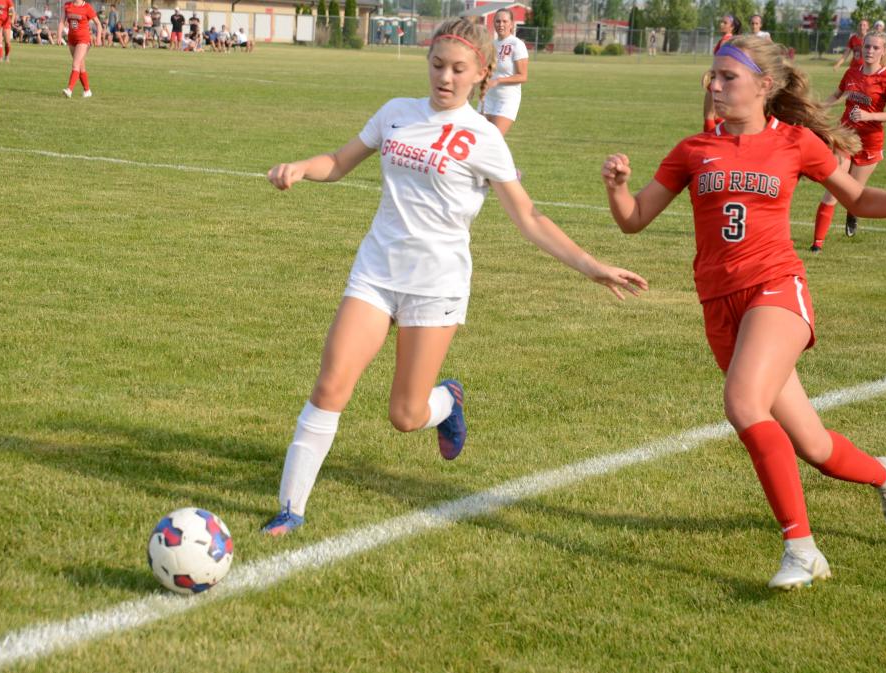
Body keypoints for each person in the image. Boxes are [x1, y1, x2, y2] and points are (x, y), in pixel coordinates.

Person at [260, 17, 647, 536]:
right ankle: (290, 509)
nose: (445, 77)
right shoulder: (396, 114)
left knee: (404, 414)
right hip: (375, 273)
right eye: (437, 64)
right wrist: (303, 167)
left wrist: (592, 265)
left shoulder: (484, 138)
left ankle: (448, 401)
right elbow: (339, 160)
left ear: (482, 72)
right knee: (331, 385)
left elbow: (529, 217)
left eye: (458, 69)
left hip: (435, 285)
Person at [601, 36, 886, 589]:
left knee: (742, 402)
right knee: (815, 449)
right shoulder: (693, 149)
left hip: (776, 289)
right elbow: (634, 219)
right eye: (711, 78)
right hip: (719, 304)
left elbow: (856, 200)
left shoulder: (796, 142)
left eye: (726, 78)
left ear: (765, 86)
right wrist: (617, 188)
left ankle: (802, 550)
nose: (714, 87)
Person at [811, 31, 886, 250]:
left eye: (875, 48)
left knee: (854, 193)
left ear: (883, 52)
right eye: (867, 46)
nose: (870, 51)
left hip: (870, 143)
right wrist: (817, 110)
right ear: (861, 47)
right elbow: (837, 95)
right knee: (834, 188)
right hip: (845, 137)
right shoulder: (852, 72)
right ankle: (817, 245)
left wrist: (869, 116)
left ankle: (852, 212)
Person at [481, 8, 528, 136]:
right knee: (479, 139)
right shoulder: (492, 44)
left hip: (506, 100)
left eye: (504, 21)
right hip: (488, 98)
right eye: (497, 21)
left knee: (494, 139)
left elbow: (523, 76)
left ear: (511, 24)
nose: (501, 24)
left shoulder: (516, 44)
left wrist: (498, 81)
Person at [704, 15, 742, 131]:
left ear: (732, 27)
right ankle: (724, 136)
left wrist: (710, 73)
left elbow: (722, 62)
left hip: (717, 79)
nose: (721, 24)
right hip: (721, 79)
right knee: (716, 115)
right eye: (721, 22)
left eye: (725, 23)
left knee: (709, 115)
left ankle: (709, 141)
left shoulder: (726, 40)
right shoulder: (729, 39)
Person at [59, 0, 102, 97]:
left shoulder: (87, 7)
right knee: (81, 66)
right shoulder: (67, 5)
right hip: (72, 39)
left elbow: (98, 24)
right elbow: (62, 21)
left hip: (84, 39)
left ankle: (69, 90)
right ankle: (87, 91)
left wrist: (98, 38)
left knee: (76, 63)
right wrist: (59, 35)